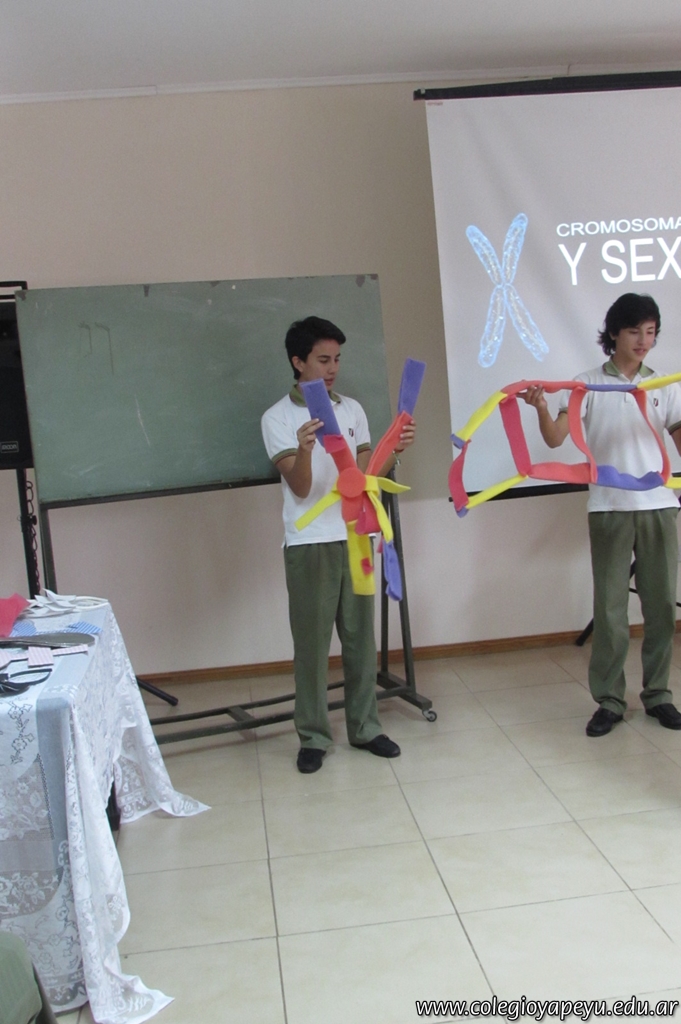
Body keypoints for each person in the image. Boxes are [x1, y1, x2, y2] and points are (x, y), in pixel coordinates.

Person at [261, 316, 415, 772]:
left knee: (360, 641)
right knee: (312, 647)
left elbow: (366, 477)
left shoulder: (352, 410)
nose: (332, 369)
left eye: (337, 359)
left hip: (357, 537)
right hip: (310, 543)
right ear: (298, 362)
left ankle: (365, 727)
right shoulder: (277, 417)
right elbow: (301, 487)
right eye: (323, 360)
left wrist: (396, 448)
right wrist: (305, 450)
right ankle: (313, 736)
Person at [523, 293, 681, 737]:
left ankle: (658, 695)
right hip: (609, 508)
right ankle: (609, 700)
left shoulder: (664, 384)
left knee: (660, 607)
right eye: (634, 331)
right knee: (610, 611)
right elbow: (555, 439)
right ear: (614, 333)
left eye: (650, 332)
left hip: (659, 506)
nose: (643, 341)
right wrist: (540, 408)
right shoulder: (587, 383)